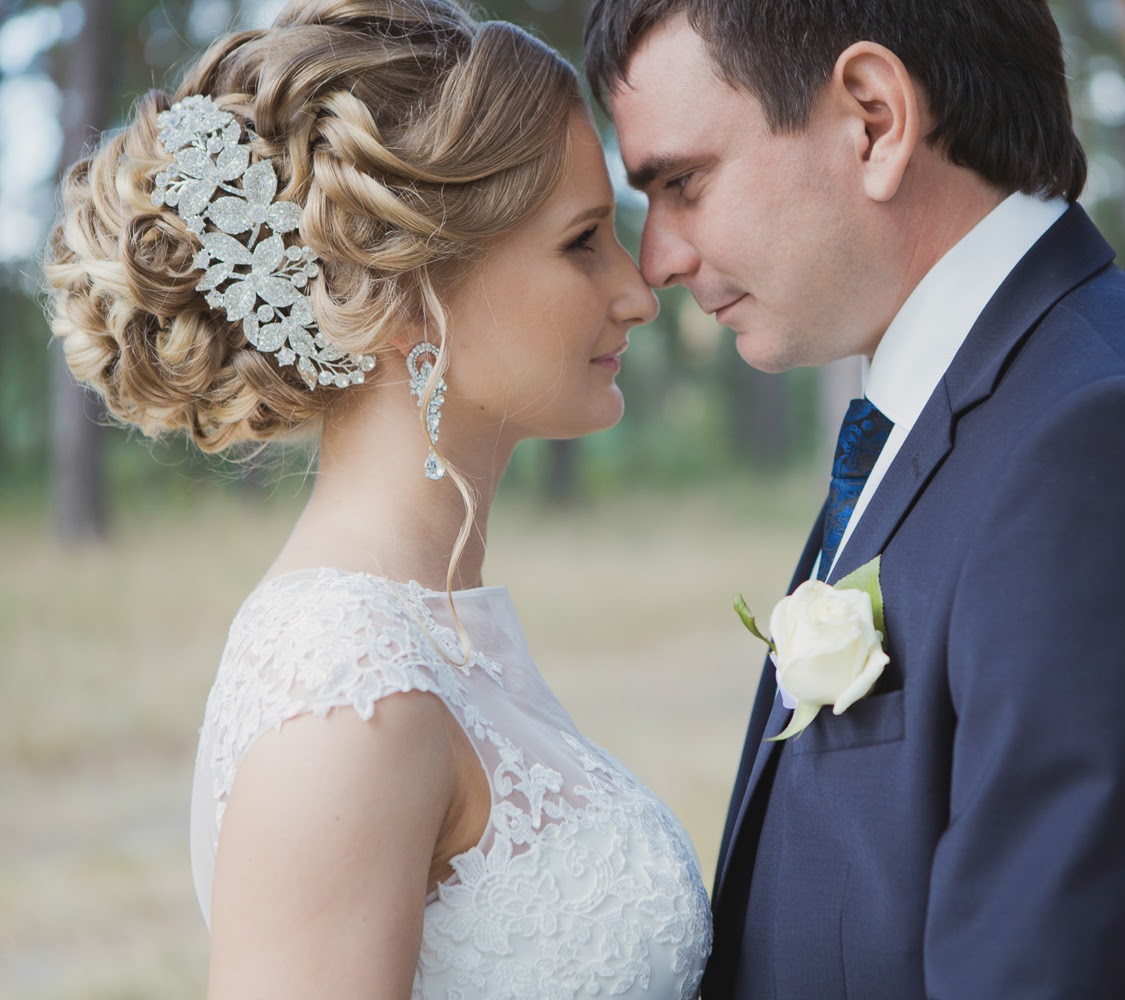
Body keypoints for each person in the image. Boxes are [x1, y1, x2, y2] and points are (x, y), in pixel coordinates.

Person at [584, 1, 1125, 997]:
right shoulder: (954, 415)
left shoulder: (1118, 453)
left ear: (873, 119)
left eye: (683, 183)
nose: (659, 260)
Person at [44, 2, 710, 997]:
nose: (638, 290)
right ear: (406, 296)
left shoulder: (440, 625)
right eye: (582, 241)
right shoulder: (344, 698)